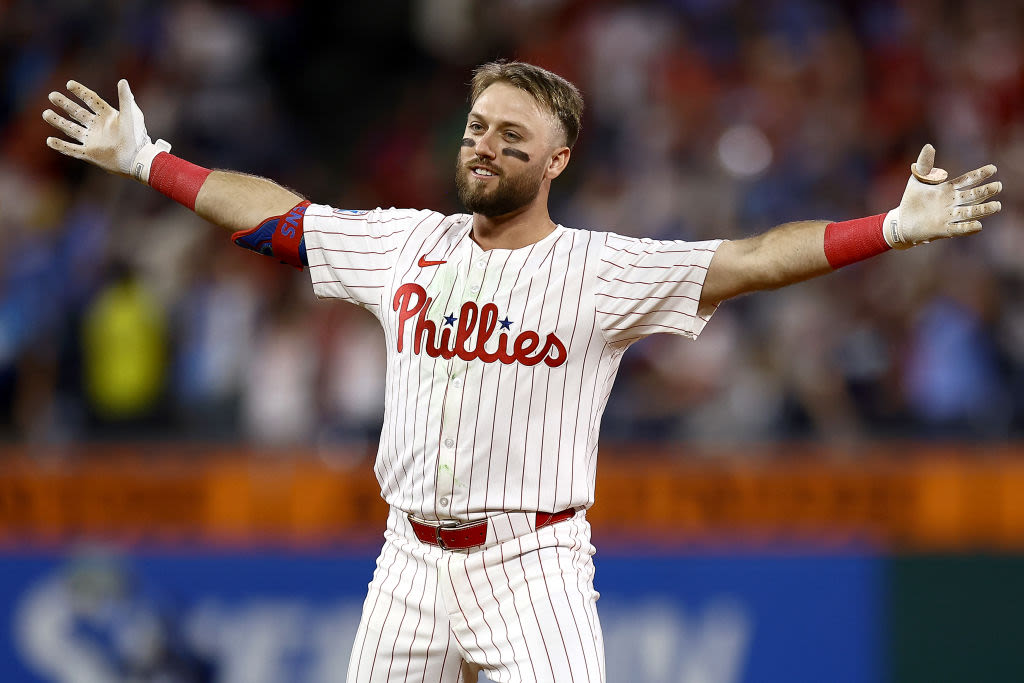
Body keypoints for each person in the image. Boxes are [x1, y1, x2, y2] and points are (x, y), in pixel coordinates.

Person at [42, 61, 1002, 683]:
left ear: (558, 159)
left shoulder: (600, 268)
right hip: (409, 556)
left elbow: (750, 258)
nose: (485, 143)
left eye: (512, 135)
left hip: (531, 562)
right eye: (476, 126)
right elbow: (277, 218)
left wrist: (891, 228)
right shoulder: (404, 245)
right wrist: (149, 160)